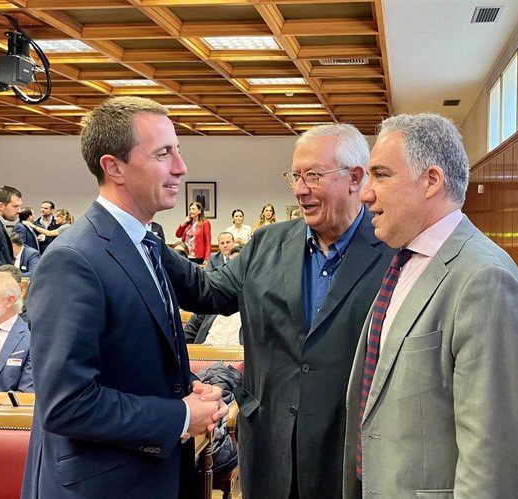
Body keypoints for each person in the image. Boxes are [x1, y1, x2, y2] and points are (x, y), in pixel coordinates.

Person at [164, 123, 394, 499]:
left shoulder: (391, 251)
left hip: (347, 454)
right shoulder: (266, 244)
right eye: (295, 176)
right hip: (268, 446)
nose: (300, 189)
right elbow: (207, 291)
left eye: (314, 176)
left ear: (355, 178)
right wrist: (144, 237)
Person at [20, 96, 228, 499]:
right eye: (163, 153)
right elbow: (67, 403)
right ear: (114, 167)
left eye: (178, 152)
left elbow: (129, 360)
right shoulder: (73, 259)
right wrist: (181, 414)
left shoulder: (144, 244)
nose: (181, 168)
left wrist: (189, 387)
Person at [342, 114, 518, 498]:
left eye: (381, 175)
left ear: (431, 180)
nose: (365, 193)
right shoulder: (405, 260)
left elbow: (492, 458)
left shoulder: (483, 278)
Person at [185, 247, 243, 346]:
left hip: (239, 357)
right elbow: (187, 335)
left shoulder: (257, 309)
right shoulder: (211, 301)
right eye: (231, 265)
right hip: (203, 355)